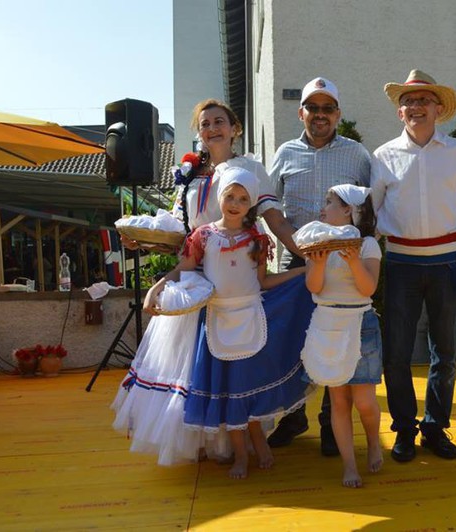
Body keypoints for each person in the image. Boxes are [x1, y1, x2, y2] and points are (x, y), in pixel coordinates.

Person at [111, 99, 300, 465]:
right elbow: (181, 235)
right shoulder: (190, 175)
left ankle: (237, 443)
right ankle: (202, 441)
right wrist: (144, 240)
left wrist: (306, 253)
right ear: (198, 132)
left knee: (233, 366)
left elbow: (274, 219)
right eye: (205, 123)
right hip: (195, 283)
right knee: (193, 366)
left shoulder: (250, 168)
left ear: (235, 128)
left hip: (233, 281)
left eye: (219, 121)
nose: (212, 128)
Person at [371, 69, 456, 462]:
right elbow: (370, 215)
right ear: (399, 112)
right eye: (408, 101)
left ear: (438, 108)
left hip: (445, 264)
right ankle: (405, 429)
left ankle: (435, 428)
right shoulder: (383, 156)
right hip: (401, 263)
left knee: (445, 352)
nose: (415, 106)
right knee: (396, 353)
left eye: (423, 99)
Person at [160, 167, 310, 479]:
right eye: (230, 195)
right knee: (229, 391)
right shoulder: (203, 236)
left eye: (243, 198)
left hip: (250, 317)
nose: (235, 203)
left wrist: (300, 273)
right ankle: (241, 454)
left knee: (248, 387)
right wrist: (157, 288)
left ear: (251, 203)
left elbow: (263, 282)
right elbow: (185, 269)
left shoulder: (256, 238)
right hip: (217, 321)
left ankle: (259, 444)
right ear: (220, 196)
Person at [268, 77, 372, 455]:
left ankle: (332, 423)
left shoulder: (357, 155)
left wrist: (362, 251)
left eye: (328, 108)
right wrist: (293, 244)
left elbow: (370, 207)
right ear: (302, 113)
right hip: (296, 256)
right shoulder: (285, 153)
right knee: (292, 339)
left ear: (338, 114)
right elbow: (268, 204)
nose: (320, 114)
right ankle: (293, 417)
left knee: (336, 338)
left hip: (343, 263)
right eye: (313, 107)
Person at [300, 184, 383, 488]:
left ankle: (373, 442)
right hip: (328, 322)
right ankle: (349, 465)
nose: (322, 208)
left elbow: (368, 288)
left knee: (364, 401)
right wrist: (319, 262)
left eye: (329, 202)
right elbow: (314, 286)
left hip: (361, 323)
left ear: (348, 209)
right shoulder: (316, 241)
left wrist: (353, 261)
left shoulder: (368, 245)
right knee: (338, 401)